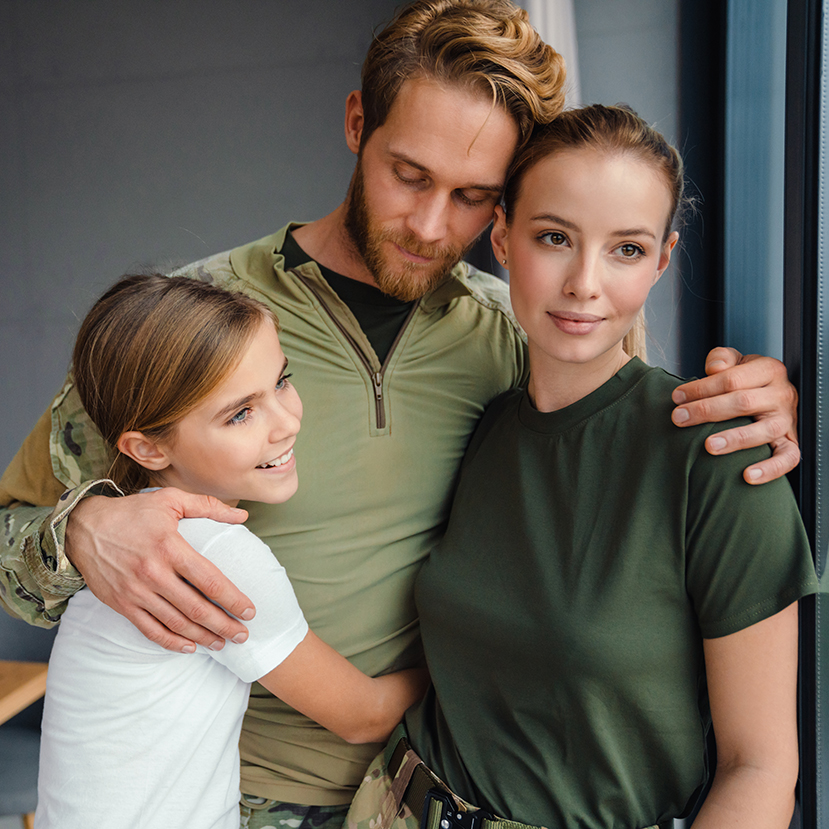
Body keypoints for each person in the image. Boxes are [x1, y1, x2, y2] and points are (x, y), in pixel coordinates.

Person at [0, 1, 802, 826]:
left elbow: (626, 446)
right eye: (409, 175)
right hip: (230, 795)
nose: (429, 225)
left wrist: (764, 401)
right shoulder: (203, 327)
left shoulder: (513, 335)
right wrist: (83, 532)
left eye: (469, 196)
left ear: (503, 219)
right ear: (357, 123)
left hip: (429, 789)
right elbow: (9, 540)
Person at [345, 105, 818, 829]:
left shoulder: (719, 456)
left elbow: (758, 769)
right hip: (391, 805)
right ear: (502, 237)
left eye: (625, 249)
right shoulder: (486, 427)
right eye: (554, 238)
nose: (583, 283)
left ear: (661, 260)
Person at [35, 274, 428, 829]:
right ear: (148, 447)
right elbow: (362, 716)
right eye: (241, 413)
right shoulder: (211, 550)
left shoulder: (139, 529)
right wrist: (474, 660)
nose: (286, 422)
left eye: (282, 381)